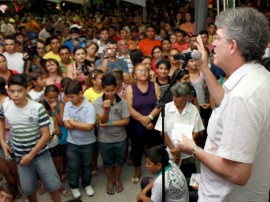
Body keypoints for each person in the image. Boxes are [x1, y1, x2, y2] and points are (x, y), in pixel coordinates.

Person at [178, 7, 270, 201]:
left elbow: (238, 173)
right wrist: (204, 66)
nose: (213, 45)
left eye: (218, 38)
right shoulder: (258, 78)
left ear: (233, 46)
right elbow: (227, 104)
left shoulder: (242, 96)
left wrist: (194, 149)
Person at [0, 74, 61, 202]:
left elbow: (46, 135)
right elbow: (1, 120)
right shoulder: (4, 107)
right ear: (7, 91)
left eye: (20, 91)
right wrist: (2, 141)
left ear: (27, 90)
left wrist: (30, 156)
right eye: (12, 91)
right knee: (28, 189)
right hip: (20, 156)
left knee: (54, 186)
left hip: (41, 154)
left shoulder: (38, 108)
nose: (16, 95)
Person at [94, 73, 130, 195]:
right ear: (103, 89)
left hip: (121, 138)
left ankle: (117, 179)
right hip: (104, 139)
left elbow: (126, 121)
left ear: (116, 88)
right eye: (107, 91)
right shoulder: (98, 101)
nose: (110, 93)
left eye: (112, 90)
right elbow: (102, 120)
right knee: (107, 162)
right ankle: (109, 181)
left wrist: (110, 123)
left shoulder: (123, 102)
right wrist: (107, 110)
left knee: (119, 161)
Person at [125, 63, 161, 184]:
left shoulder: (154, 85)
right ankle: (137, 170)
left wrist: (150, 118)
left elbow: (159, 105)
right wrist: (143, 120)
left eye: (145, 70)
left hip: (153, 122)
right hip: (136, 124)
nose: (143, 73)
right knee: (136, 148)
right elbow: (129, 108)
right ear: (134, 75)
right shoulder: (130, 88)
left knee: (154, 147)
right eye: (139, 71)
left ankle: (156, 171)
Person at [63, 80, 96, 199]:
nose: (70, 99)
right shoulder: (68, 105)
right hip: (72, 142)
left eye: (72, 96)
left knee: (87, 165)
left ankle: (87, 184)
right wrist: (78, 124)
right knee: (73, 166)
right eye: (68, 97)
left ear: (81, 93)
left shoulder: (89, 106)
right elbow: (66, 124)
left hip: (88, 143)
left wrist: (73, 123)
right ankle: (74, 186)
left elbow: (89, 127)